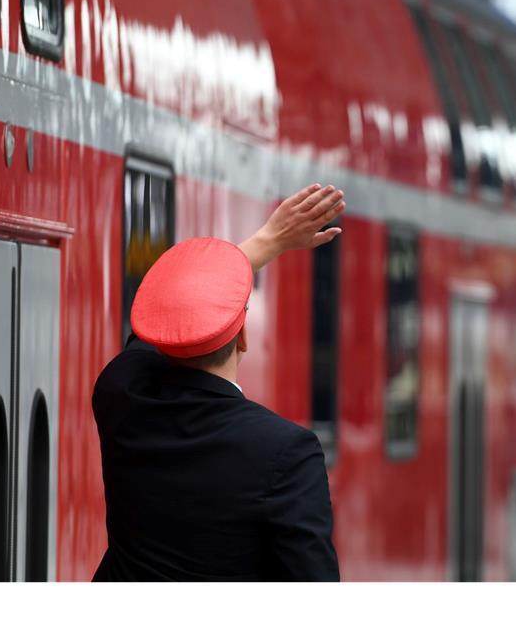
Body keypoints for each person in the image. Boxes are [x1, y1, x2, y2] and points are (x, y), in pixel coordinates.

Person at [92, 183, 346, 581]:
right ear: (243, 336)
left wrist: (268, 240)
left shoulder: (121, 395)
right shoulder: (286, 452)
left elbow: (160, 320)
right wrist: (274, 240)